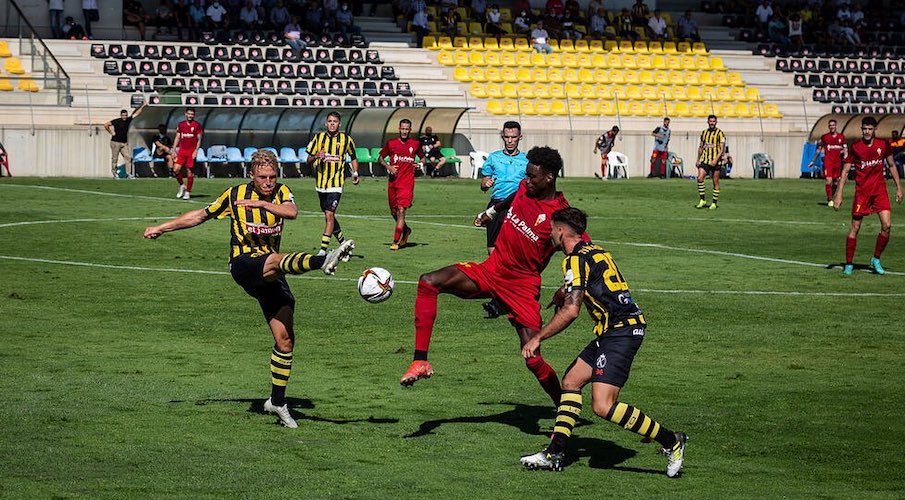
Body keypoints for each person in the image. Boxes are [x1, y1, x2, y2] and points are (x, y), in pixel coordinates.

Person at [143, 150, 355, 429]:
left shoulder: (281, 193)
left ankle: (277, 402)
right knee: (274, 262)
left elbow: (292, 212)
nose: (268, 182)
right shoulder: (234, 194)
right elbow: (200, 216)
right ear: (251, 175)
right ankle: (322, 260)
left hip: (272, 270)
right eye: (262, 177)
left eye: (272, 177)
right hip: (244, 264)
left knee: (285, 340)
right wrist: (163, 227)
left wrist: (264, 206)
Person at [399, 146, 574, 409]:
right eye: (525, 175)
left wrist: (567, 286)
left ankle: (564, 410)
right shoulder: (526, 189)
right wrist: (489, 213)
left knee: (532, 357)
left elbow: (581, 251)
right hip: (491, 270)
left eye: (531, 176)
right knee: (429, 281)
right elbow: (512, 196)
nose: (525, 180)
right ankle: (420, 361)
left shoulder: (560, 215)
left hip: (521, 287)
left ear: (549, 177)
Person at [518, 207, 687, 476]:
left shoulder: (574, 259)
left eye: (552, 230)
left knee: (602, 405)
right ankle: (555, 452)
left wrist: (537, 337)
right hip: (615, 330)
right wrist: (564, 291)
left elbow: (572, 311)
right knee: (572, 381)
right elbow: (592, 281)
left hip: (621, 331)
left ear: (561, 231)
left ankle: (671, 441)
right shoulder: (595, 251)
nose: (550, 235)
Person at [832, 116, 903, 276]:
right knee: (855, 228)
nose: (867, 132)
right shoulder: (856, 147)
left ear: (875, 130)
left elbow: (891, 165)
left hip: (879, 192)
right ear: (861, 129)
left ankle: (876, 259)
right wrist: (839, 194)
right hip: (862, 193)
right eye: (865, 129)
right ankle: (849, 264)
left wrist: (899, 187)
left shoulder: (883, 145)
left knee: (887, 226)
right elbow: (844, 171)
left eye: (870, 129)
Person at [305, 111, 360, 256]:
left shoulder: (346, 139)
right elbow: (308, 160)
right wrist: (317, 155)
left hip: (336, 184)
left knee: (329, 215)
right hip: (321, 184)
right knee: (329, 215)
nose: (332, 124)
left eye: (335, 121)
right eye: (330, 121)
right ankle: (343, 244)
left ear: (339, 124)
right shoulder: (319, 138)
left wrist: (355, 173)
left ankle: (323, 250)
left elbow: (353, 157)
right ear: (326, 123)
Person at [378, 119, 422, 250]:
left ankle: (395, 241)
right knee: (394, 212)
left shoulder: (415, 144)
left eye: (406, 129)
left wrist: (420, 164)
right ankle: (406, 230)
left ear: (410, 130)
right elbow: (380, 158)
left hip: (407, 183)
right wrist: (389, 166)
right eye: (402, 129)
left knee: (401, 210)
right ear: (399, 129)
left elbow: (423, 158)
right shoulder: (391, 144)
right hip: (393, 183)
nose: (404, 131)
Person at [808, 118, 847, 207]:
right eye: (830, 125)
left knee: (836, 182)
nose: (832, 127)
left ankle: (832, 197)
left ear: (836, 126)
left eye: (833, 125)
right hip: (828, 162)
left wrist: (845, 156)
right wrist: (813, 161)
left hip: (837, 163)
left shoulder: (841, 137)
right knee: (828, 181)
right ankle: (829, 199)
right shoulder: (825, 137)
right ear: (828, 127)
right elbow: (818, 150)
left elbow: (845, 149)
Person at [104, 103, 147, 179]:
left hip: (124, 143)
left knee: (128, 157)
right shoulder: (117, 121)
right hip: (115, 142)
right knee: (115, 158)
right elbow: (106, 125)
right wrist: (111, 132)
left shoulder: (128, 120)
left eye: (126, 115)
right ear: (121, 115)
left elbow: (136, 114)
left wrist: (143, 106)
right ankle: (114, 173)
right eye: (123, 115)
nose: (124, 117)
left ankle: (128, 174)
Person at [172, 107, 204, 200]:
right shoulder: (181, 124)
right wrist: (174, 149)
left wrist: (196, 150)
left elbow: (199, 139)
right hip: (182, 151)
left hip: (191, 152)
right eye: (189, 114)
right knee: (176, 169)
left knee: (190, 172)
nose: (190, 116)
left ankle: (188, 192)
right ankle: (182, 185)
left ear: (194, 115)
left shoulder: (197, 125)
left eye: (192, 114)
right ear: (185, 114)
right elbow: (177, 137)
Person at [695, 115, 726, 209]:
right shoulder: (704, 133)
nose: (712, 123)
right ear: (708, 122)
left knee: (715, 182)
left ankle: (714, 203)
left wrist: (716, 160)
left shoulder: (720, 133)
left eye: (713, 121)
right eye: (710, 121)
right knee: (700, 178)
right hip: (705, 160)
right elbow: (701, 147)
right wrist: (698, 159)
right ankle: (702, 200)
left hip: (716, 161)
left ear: (716, 122)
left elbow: (721, 149)